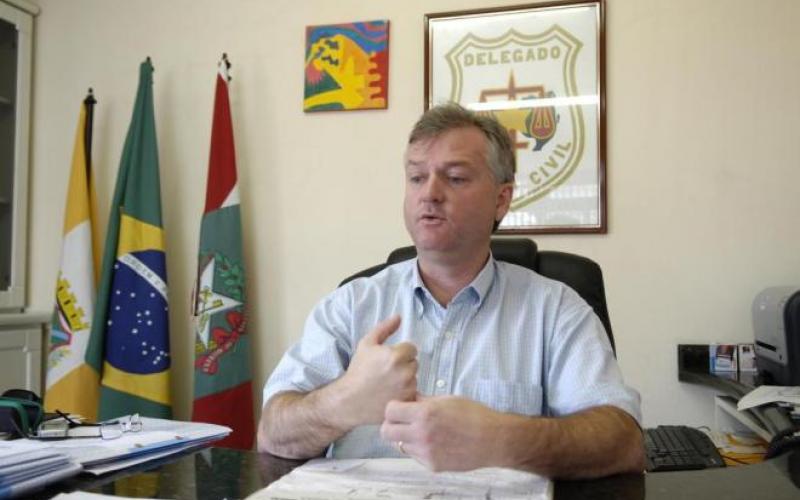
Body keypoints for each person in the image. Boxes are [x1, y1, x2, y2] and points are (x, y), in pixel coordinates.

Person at [258, 103, 644, 478]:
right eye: (416, 177)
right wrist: (344, 400)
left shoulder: (556, 310)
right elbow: (272, 433)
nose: (429, 193)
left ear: (501, 200)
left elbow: (624, 442)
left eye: (455, 178)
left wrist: (502, 438)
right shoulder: (350, 306)